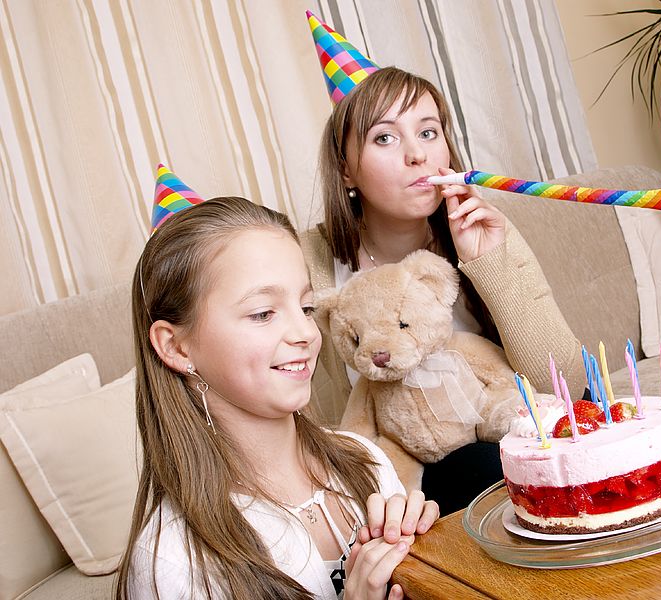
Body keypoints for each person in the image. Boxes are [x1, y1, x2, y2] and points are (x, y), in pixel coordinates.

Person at [301, 13, 585, 514]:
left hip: (507, 451)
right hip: (394, 485)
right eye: (384, 138)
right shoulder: (311, 262)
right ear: (345, 168)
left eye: (429, 132)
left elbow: (564, 385)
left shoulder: (486, 230)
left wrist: (488, 265)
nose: (417, 155)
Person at [115, 175, 439, 599]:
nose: (305, 331)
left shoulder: (366, 462)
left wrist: (433, 565)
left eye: (305, 306)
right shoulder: (174, 560)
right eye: (264, 313)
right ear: (175, 346)